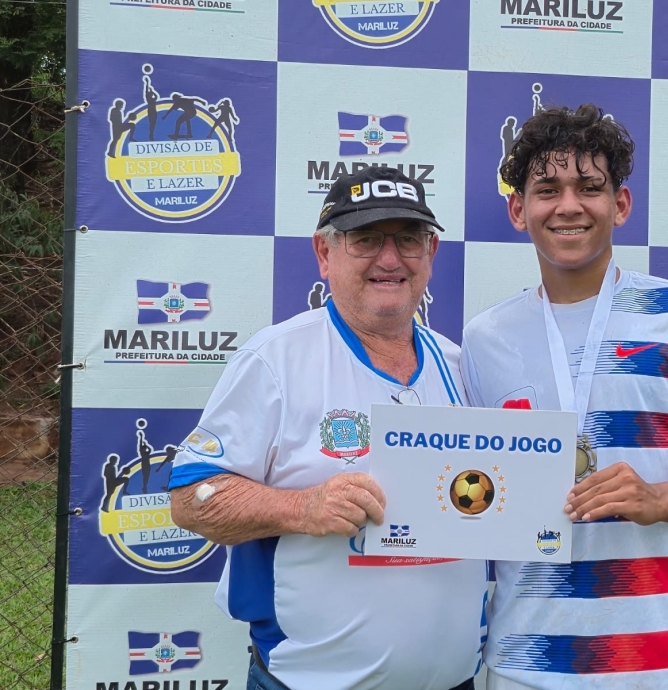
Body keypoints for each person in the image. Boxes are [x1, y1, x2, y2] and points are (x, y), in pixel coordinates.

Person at [461, 104, 668, 689]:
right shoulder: (485, 337)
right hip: (524, 664)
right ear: (518, 210)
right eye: (547, 190)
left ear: (620, 204)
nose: (568, 205)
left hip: (654, 665)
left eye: (589, 187)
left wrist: (660, 498)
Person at [169, 166, 487, 690]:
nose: (390, 259)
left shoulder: (461, 366)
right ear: (324, 252)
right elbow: (190, 499)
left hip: (455, 681)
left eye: (408, 239)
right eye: (366, 239)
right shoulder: (275, 360)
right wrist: (302, 507)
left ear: (430, 253)